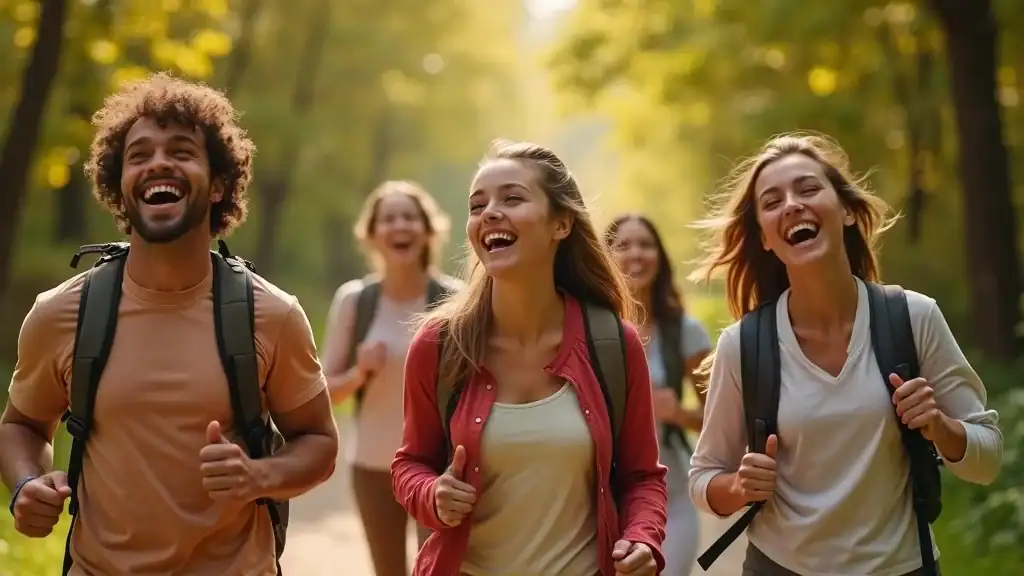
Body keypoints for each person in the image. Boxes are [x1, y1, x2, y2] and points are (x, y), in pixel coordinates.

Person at [1, 72, 339, 575]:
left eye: (181, 151)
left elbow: (319, 441)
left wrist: (259, 475)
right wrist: (27, 483)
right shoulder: (61, 314)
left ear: (219, 182)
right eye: (139, 155)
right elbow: (22, 425)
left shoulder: (270, 315)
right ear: (119, 186)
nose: (159, 162)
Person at [688, 133, 1003, 575]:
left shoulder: (914, 317)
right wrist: (740, 486)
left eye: (809, 188)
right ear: (764, 237)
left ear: (849, 211)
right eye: (773, 200)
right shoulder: (743, 346)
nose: (793, 204)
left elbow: (987, 460)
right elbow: (704, 479)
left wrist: (940, 427)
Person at [391, 139, 667, 576]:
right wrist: (432, 495)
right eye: (477, 205)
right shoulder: (439, 344)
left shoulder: (613, 344)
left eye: (512, 198)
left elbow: (642, 478)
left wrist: (641, 538)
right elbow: (410, 464)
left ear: (561, 223)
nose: (489, 213)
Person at [320, 180, 461, 576]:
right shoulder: (355, 301)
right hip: (372, 468)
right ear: (372, 235)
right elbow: (324, 392)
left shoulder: (455, 301)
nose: (400, 226)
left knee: (439, 569)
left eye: (410, 217)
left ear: (428, 230)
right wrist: (360, 373)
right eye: (389, 218)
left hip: (437, 468)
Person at [605, 214, 711, 576]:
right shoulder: (584, 330)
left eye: (646, 245)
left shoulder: (686, 333)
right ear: (605, 257)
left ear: (660, 258)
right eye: (624, 245)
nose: (636, 254)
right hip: (601, 502)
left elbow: (721, 423)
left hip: (671, 502)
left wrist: (678, 414)